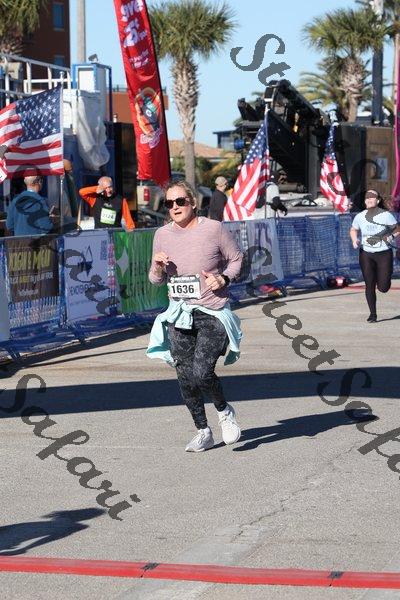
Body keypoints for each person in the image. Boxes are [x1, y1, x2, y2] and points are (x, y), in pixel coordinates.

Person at [147, 179, 243, 452]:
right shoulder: (162, 235)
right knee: (185, 377)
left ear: (193, 203)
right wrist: (157, 267)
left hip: (212, 311)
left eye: (180, 201)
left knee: (202, 372)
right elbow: (155, 279)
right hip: (180, 313)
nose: (174, 207)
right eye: (169, 203)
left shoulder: (213, 229)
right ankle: (203, 430)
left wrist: (223, 278)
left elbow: (237, 259)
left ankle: (224, 412)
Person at [350, 190, 399, 322]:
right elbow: (353, 229)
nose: (369, 199)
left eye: (372, 197)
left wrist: (391, 236)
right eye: (367, 197)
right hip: (366, 254)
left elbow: (397, 229)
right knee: (369, 284)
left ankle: (383, 278)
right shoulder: (360, 216)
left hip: (384, 254)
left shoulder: (386, 215)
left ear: (377, 200)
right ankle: (373, 314)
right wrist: (355, 240)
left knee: (383, 287)